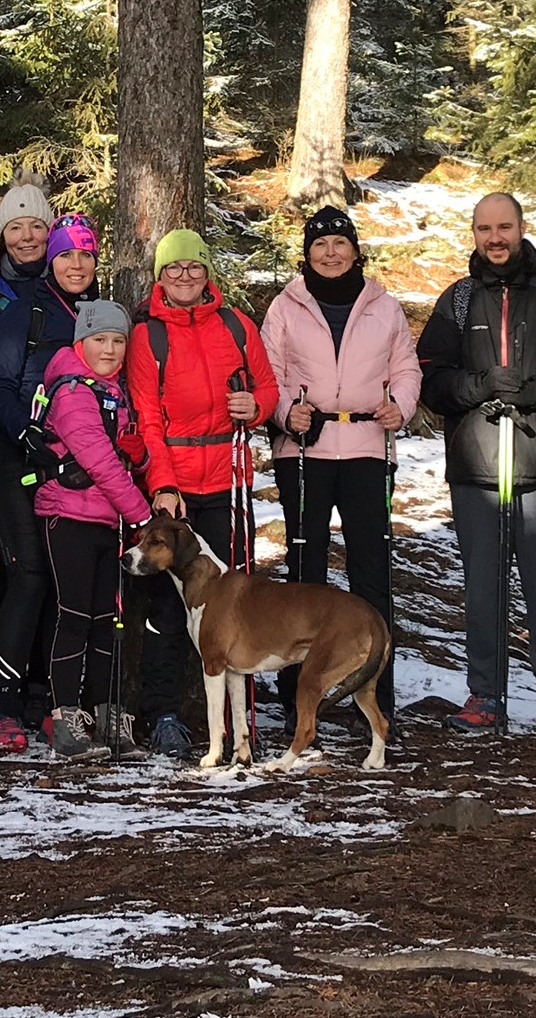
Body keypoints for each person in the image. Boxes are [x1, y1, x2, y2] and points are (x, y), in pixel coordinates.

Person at [417, 192, 536, 736]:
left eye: (504, 227)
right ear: (473, 233)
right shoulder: (457, 300)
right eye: (485, 228)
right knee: (483, 586)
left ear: (521, 229)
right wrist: (478, 386)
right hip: (477, 467)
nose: (495, 238)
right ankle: (485, 695)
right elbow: (430, 376)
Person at [261, 206, 421, 734]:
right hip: (304, 450)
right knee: (303, 578)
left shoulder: (384, 305)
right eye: (320, 244)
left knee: (370, 575)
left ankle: (374, 698)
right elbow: (271, 372)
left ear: (355, 249)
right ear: (306, 253)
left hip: (367, 445)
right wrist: (287, 413)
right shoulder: (286, 306)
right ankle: (296, 701)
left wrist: (401, 403)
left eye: (339, 243)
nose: (330, 253)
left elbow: (405, 367)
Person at [127, 229, 279, 758]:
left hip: (228, 482)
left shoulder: (236, 325)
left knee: (234, 603)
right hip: (177, 489)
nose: (185, 277)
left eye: (194, 267)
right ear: (160, 277)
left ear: (207, 273)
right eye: (174, 269)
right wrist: (163, 485)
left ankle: (239, 721)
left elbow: (267, 387)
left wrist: (255, 408)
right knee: (169, 610)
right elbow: (147, 416)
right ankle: (165, 712)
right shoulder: (149, 336)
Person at [0, 214, 104, 752]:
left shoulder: (100, 315)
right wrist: (24, 433)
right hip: (16, 459)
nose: (76, 265)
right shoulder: (24, 313)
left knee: (63, 580)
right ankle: (3, 707)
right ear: (51, 261)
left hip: (77, 464)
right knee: (28, 573)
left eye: (85, 255)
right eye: (65, 256)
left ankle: (50, 702)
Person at [34, 301, 153, 758]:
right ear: (80, 342)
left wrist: (139, 456)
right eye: (99, 340)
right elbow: (99, 462)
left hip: (107, 519)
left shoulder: (113, 390)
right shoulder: (71, 390)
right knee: (74, 616)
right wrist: (142, 517)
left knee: (108, 621)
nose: (109, 349)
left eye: (118, 341)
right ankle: (66, 720)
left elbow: (122, 458)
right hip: (69, 515)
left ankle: (106, 715)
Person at [0, 177, 55, 307]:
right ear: (3, 237)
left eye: (36, 226)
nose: (27, 236)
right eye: (16, 228)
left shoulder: (69, 278)